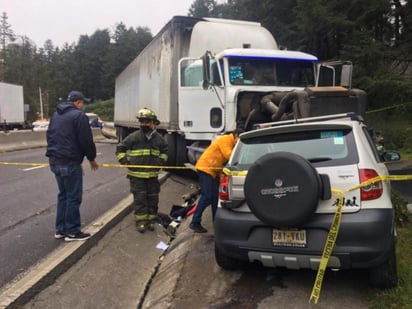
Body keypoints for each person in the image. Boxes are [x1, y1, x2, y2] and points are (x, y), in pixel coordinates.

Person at [46, 90, 99, 242]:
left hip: (55, 161)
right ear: (78, 102)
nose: (83, 106)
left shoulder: (55, 115)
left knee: (63, 195)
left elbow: (49, 136)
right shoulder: (78, 116)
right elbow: (86, 140)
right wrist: (91, 158)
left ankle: (61, 229)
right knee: (73, 197)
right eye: (82, 103)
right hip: (70, 162)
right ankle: (72, 231)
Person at [116, 108, 168, 233]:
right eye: (141, 122)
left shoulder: (159, 139)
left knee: (153, 199)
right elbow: (120, 149)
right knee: (140, 199)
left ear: (153, 123)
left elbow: (165, 151)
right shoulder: (134, 137)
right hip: (136, 176)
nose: (143, 124)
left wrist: (161, 161)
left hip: (152, 176)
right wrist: (124, 162)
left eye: (146, 122)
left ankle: (151, 220)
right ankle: (141, 222)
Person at [189, 128, 243, 233]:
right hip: (206, 168)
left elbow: (221, 161)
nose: (239, 142)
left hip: (213, 171)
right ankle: (195, 222)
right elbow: (229, 155)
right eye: (239, 139)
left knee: (215, 198)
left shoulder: (231, 142)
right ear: (236, 135)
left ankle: (216, 222)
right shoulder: (226, 140)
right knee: (207, 196)